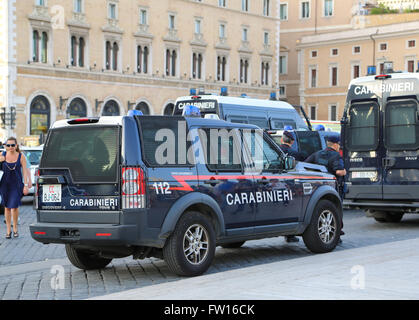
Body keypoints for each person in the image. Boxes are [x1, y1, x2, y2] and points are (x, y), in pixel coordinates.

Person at [305, 135, 346, 241]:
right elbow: (338, 171)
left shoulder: (317, 154)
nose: (339, 147)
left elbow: (305, 165)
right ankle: (337, 235)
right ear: (335, 145)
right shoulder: (336, 156)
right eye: (339, 145)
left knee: (323, 211)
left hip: (319, 187)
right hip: (334, 187)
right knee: (336, 211)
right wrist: (344, 171)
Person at [0, 137, 30, 238]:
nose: (10, 147)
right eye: (8, 145)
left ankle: (15, 228)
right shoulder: (2, 155)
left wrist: (26, 185)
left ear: (16, 146)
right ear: (5, 146)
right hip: (5, 184)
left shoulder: (21, 156)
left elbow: (25, 171)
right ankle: (8, 230)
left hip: (16, 185)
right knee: (7, 207)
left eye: (13, 145)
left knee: (14, 206)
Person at [279, 131, 304, 243]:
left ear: (281, 140)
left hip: (275, 183)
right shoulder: (295, 154)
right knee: (290, 208)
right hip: (289, 184)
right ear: (292, 142)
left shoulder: (275, 150)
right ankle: (289, 235)